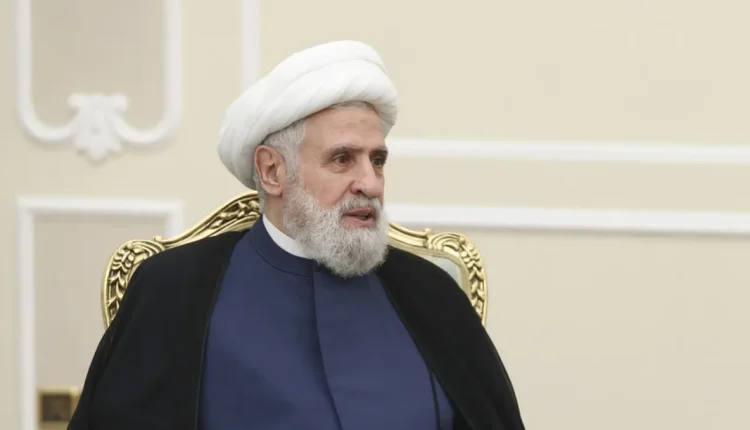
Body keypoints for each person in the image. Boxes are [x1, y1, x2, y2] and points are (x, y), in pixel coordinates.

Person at [68, 40, 526, 430]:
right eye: (342, 159)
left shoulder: (431, 296)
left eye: (377, 160)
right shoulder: (173, 292)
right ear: (272, 171)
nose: (370, 183)